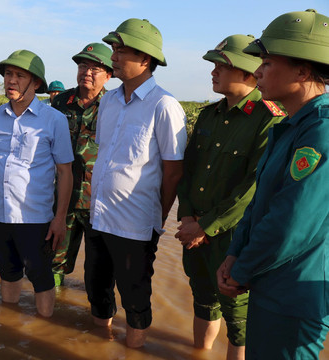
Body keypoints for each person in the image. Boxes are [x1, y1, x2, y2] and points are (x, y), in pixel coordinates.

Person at [217, 9, 329, 359]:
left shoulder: (321, 130)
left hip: (293, 297)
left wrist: (242, 270)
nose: (258, 71)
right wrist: (235, 253)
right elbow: (259, 203)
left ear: (303, 69)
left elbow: (291, 222)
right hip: (268, 285)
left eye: (267, 62)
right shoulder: (289, 127)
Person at [175, 34, 285, 360]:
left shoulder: (269, 119)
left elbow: (253, 188)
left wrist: (206, 227)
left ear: (247, 71)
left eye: (221, 65)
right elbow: (188, 172)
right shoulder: (209, 116)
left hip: (234, 239)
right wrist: (186, 217)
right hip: (196, 232)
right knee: (202, 300)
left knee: (238, 318)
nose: (213, 71)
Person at [88, 18, 187, 348]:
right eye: (114, 50)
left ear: (145, 59)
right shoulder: (109, 100)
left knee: (135, 296)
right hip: (100, 216)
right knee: (97, 287)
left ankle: (133, 350)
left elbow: (173, 172)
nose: (113, 57)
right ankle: (99, 345)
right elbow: (106, 154)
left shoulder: (164, 105)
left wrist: (157, 216)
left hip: (135, 224)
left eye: (121, 51)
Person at [0, 50, 73, 317]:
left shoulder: (54, 120)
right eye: (8, 74)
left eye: (20, 75)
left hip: (36, 217)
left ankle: (44, 335)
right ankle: (9, 330)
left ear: (37, 83)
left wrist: (60, 219)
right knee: (7, 274)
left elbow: (65, 172)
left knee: (41, 279)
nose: (11, 80)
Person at [50, 43, 112, 287]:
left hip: (99, 202)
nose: (87, 72)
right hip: (62, 199)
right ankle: (50, 313)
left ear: (109, 75)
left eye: (95, 68)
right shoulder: (61, 102)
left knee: (99, 269)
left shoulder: (115, 105)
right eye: (83, 66)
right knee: (54, 260)